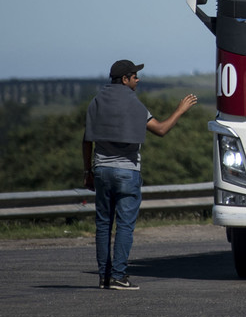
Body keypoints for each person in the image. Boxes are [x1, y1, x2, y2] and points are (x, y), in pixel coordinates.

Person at [82, 60, 198, 291]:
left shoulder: (96, 103)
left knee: (103, 225)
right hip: (127, 172)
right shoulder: (135, 105)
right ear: (124, 79)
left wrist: (88, 171)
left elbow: (86, 141)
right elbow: (162, 129)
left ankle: (104, 277)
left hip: (102, 171)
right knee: (124, 225)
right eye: (134, 76)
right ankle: (118, 276)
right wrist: (180, 110)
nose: (138, 79)